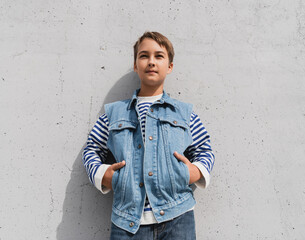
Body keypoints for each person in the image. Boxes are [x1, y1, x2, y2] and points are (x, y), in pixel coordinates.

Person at [82, 31, 215, 239]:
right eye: (144, 56)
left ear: (169, 66)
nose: (151, 62)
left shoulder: (184, 113)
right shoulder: (115, 113)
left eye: (159, 56)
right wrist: (104, 175)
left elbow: (204, 150)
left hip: (178, 218)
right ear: (136, 65)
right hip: (127, 222)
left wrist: (193, 173)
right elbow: (92, 149)